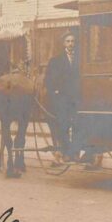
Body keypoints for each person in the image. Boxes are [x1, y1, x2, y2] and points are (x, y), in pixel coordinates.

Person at [44, 31, 81, 162]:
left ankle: (75, 152)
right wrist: (55, 92)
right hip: (63, 99)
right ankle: (66, 152)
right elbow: (47, 80)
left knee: (77, 124)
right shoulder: (56, 61)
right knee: (63, 125)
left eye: (73, 41)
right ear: (63, 44)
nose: (71, 44)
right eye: (68, 41)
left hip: (76, 98)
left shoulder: (80, 60)